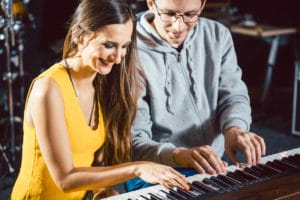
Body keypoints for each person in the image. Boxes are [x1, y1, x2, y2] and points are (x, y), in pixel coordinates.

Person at [10, 0, 190, 199]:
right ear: (80, 36)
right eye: (109, 45)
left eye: (124, 46)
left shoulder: (101, 84)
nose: (118, 58)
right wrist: (137, 168)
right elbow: (65, 179)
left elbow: (94, 163)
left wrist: (102, 190)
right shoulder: (48, 88)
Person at [126, 0, 266, 191]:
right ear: (151, 3)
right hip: (155, 167)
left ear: (202, 6)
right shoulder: (126, 47)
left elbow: (232, 95)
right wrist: (178, 154)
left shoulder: (217, 35)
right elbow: (133, 139)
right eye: (168, 14)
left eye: (190, 15)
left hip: (211, 160)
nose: (178, 27)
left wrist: (234, 129)